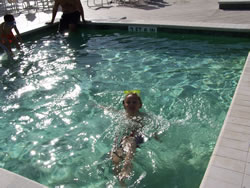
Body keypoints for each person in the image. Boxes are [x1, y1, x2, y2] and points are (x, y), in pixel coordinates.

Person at [110, 90, 146, 185]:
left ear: (140, 105)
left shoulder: (143, 117)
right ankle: (122, 183)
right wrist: (96, 105)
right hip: (122, 141)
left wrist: (156, 136)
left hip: (136, 140)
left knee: (129, 141)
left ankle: (127, 165)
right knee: (115, 159)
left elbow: (153, 126)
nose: (131, 104)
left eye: (134, 102)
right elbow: (110, 110)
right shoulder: (122, 115)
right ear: (124, 105)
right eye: (128, 102)